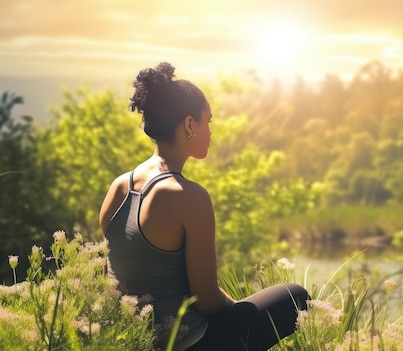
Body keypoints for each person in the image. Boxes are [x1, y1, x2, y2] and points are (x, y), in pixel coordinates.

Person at [99, 62, 310, 351]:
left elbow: (110, 275)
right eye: (207, 121)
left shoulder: (119, 187)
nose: (210, 131)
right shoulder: (188, 196)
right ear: (189, 125)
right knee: (296, 296)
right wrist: (240, 308)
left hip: (131, 339)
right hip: (189, 343)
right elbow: (207, 300)